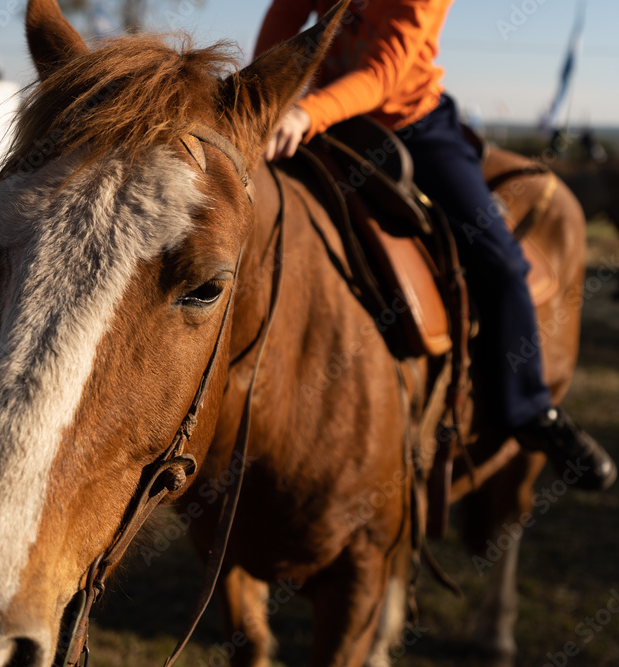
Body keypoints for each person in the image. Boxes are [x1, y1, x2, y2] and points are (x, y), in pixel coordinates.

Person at [256, 0, 615, 490]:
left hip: (410, 127)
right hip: (323, 114)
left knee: (502, 263)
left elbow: (384, 72)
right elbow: (287, 10)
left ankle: (530, 408)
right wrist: (261, 95)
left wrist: (304, 112)